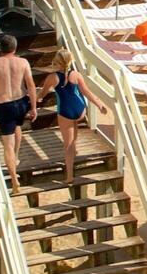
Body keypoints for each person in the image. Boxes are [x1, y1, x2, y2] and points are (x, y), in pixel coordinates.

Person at [35, 54, 107, 183]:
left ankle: (69, 176)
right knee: (74, 128)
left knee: (67, 145)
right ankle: (74, 150)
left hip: (65, 111)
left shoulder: (52, 77)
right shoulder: (76, 74)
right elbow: (86, 92)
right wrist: (99, 104)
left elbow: (43, 93)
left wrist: (35, 99)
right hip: (80, 108)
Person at [0, 36, 35, 189]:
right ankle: (17, 156)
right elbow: (31, 86)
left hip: (5, 104)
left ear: (0, 48)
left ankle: (14, 180)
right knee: (17, 126)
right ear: (15, 48)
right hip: (21, 102)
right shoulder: (23, 62)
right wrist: (33, 107)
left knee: (7, 144)